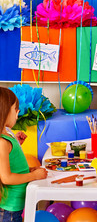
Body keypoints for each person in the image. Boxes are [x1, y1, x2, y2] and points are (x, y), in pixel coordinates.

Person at [0, 87, 48, 222]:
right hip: (8, 207)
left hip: (16, 205)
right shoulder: (2, 142)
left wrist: (16, 143)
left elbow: (12, 161)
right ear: (3, 111)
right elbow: (7, 178)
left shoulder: (8, 134)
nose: (18, 112)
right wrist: (32, 175)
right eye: (15, 108)